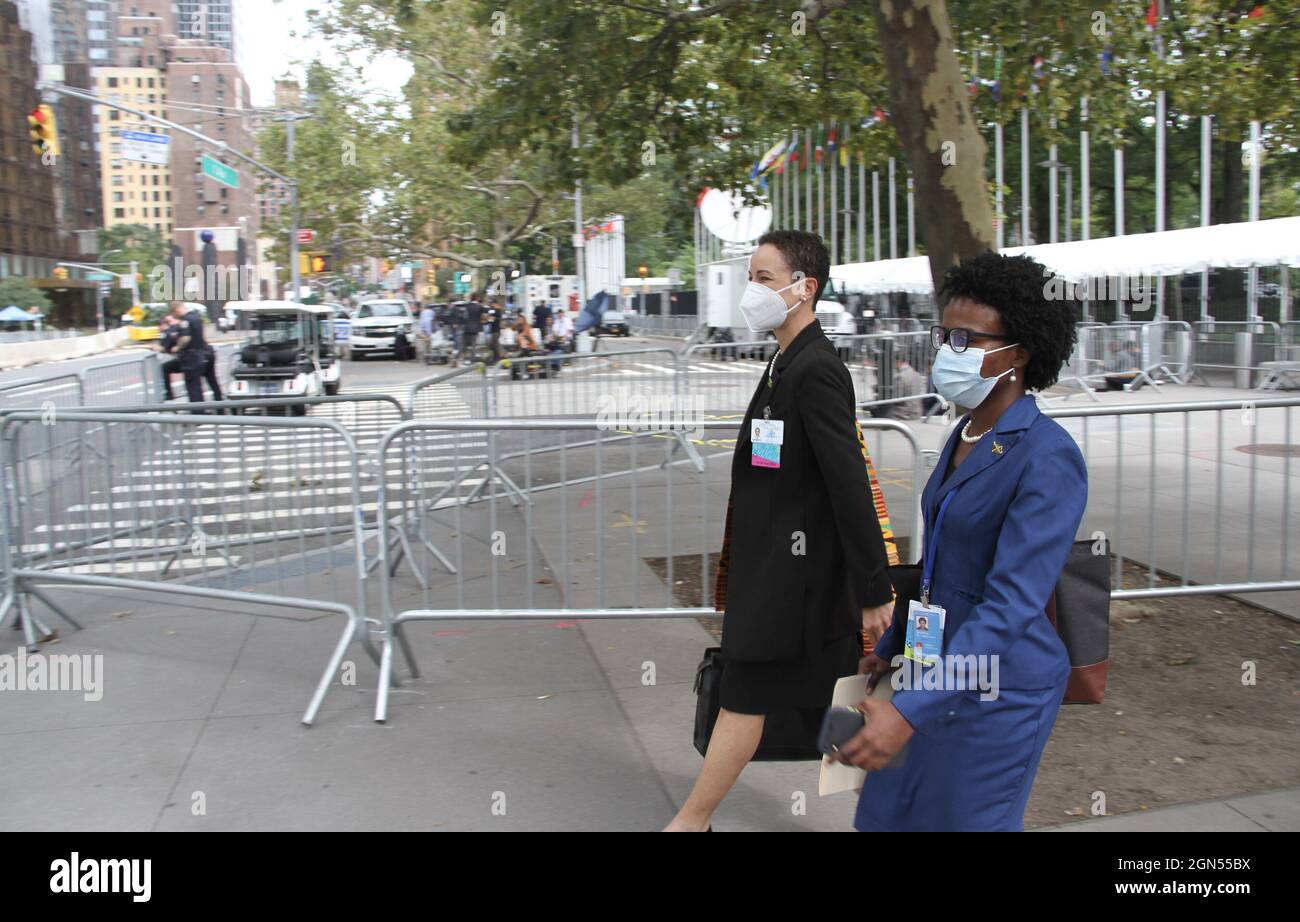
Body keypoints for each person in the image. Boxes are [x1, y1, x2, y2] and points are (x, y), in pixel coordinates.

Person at [827, 251, 1087, 832]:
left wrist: (908, 711)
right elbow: (939, 565)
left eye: (966, 338)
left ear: (1017, 354)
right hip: (924, 673)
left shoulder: (1047, 455)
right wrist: (891, 643)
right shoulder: (963, 433)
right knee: (883, 820)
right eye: (945, 334)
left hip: (999, 694)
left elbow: (1011, 606)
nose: (947, 349)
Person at [665, 230, 894, 833]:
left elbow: (849, 484)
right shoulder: (784, 360)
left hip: (795, 584)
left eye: (765, 279)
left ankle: (692, 822)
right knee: (833, 696)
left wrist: (874, 587)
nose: (752, 291)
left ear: (805, 288)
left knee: (751, 696)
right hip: (776, 573)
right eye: (752, 278)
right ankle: (879, 813)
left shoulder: (816, 369)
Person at [167, 302, 222, 411]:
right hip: (204, 354)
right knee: (212, 382)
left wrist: (177, 347)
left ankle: (198, 413)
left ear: (177, 310)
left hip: (191, 358)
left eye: (174, 314)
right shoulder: (197, 317)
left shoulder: (185, 321)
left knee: (194, 387)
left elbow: (185, 338)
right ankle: (221, 409)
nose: (175, 317)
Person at [887, 353, 927, 420]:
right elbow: (922, 393)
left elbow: (898, 397)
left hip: (903, 414)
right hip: (917, 412)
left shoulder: (900, 376)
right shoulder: (917, 375)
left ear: (898, 361)